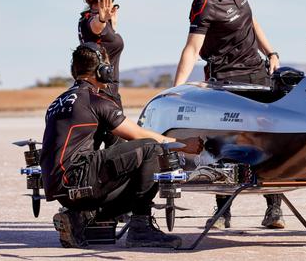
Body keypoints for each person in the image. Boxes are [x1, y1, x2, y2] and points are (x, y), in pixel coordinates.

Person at [40, 43, 203, 249]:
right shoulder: (94, 100)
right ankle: (140, 228)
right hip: (78, 177)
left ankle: (79, 217)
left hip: (63, 189)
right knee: (152, 149)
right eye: (108, 66)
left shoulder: (58, 101)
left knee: (135, 162)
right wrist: (182, 145)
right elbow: (139, 135)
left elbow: (116, 143)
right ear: (101, 70)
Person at [172, 0, 284, 229]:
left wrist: (270, 52)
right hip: (226, 81)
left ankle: (275, 208)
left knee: (268, 139)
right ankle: (224, 211)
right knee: (225, 145)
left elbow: (252, 22)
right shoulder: (204, 0)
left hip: (256, 73)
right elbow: (192, 49)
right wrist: (176, 90)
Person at [77, 0, 124, 149]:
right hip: (104, 95)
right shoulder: (91, 19)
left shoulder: (90, 18)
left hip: (105, 93)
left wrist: (111, 23)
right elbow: (95, 26)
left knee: (101, 146)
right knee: (118, 150)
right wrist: (103, 19)